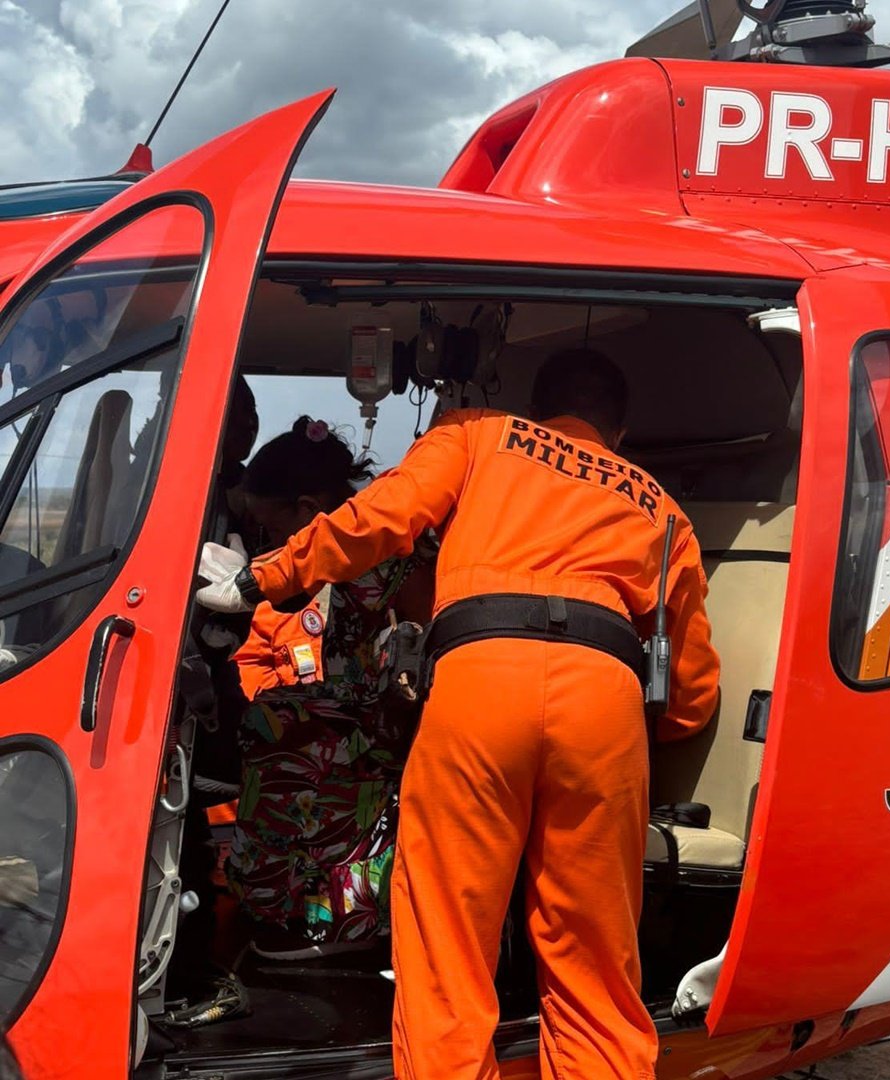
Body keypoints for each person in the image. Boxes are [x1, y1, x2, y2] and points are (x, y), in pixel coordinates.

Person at [193, 348, 721, 1079]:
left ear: (540, 409)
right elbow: (692, 685)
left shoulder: (479, 432)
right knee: (596, 964)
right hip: (607, 700)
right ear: (619, 433)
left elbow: (380, 518)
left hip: (480, 679)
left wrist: (265, 577)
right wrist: (664, 737)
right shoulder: (661, 507)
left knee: (447, 947)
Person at [225, 418, 436, 959]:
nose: (272, 544)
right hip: (358, 704)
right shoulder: (347, 548)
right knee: (269, 715)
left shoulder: (390, 552)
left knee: (290, 733)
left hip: (398, 717)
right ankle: (278, 900)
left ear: (307, 508)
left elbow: (433, 630)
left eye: (274, 531)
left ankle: (335, 915)